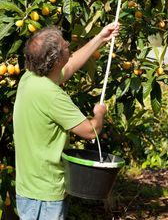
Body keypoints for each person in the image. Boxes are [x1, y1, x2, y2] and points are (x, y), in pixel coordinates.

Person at [13, 22, 119, 220]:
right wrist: (99, 113)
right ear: (55, 60)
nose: (68, 44)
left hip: (28, 189)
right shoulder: (52, 95)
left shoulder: (29, 78)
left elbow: (69, 67)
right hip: (45, 194)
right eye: (65, 46)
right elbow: (90, 131)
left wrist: (101, 38)